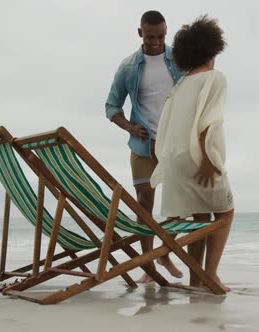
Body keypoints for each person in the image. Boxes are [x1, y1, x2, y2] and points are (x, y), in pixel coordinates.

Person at [151, 15, 234, 291]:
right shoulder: (214, 78)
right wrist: (210, 161)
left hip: (174, 160)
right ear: (212, 51)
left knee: (200, 218)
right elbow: (209, 123)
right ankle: (210, 275)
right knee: (225, 213)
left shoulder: (180, 85)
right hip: (199, 158)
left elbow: (166, 128)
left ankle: (196, 278)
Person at [105, 10, 184, 283]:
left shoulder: (180, 59)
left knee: (183, 204)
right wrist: (129, 126)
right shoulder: (128, 66)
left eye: (161, 36)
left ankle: (163, 253)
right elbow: (111, 106)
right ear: (140, 33)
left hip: (174, 144)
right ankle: (148, 268)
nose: (156, 42)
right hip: (142, 146)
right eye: (150, 37)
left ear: (166, 32)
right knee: (143, 205)